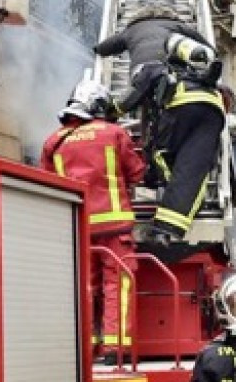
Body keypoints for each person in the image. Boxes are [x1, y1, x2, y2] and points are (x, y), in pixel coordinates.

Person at [96, 6, 226, 243]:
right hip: (212, 107)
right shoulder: (180, 33)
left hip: (173, 103)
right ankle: (169, 229)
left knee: (161, 154)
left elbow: (129, 92)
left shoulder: (143, 47)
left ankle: (159, 179)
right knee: (193, 170)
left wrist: (109, 112)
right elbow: (208, 47)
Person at [40, 81, 146, 358]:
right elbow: (136, 172)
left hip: (77, 226)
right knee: (118, 283)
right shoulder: (114, 133)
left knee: (85, 286)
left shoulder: (54, 142)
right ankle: (114, 345)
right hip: (114, 226)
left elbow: (46, 181)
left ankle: (87, 345)